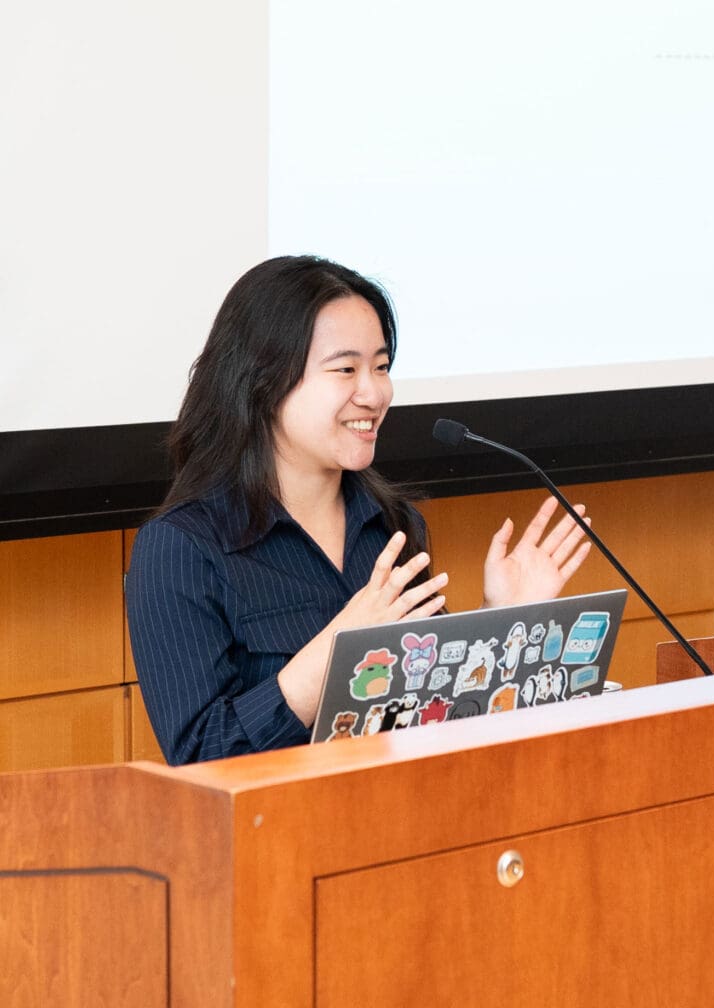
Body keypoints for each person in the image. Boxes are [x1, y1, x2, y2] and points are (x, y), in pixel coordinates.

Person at [126, 255, 592, 764]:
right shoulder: (181, 549)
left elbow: (435, 710)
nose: (374, 393)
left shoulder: (392, 524)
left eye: (382, 366)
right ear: (262, 384)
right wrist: (338, 651)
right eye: (346, 368)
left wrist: (499, 620)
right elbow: (199, 758)